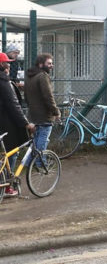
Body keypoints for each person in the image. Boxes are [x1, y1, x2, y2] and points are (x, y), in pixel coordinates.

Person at [0, 53, 35, 197]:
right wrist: (26, 123)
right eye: (6, 63)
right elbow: (13, 104)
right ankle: (7, 187)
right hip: (6, 122)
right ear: (2, 65)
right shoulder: (3, 80)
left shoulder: (6, 80)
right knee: (12, 152)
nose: (9, 65)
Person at [23, 53, 60, 152]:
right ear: (40, 64)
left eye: (52, 63)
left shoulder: (29, 76)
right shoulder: (43, 76)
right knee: (42, 141)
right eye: (49, 63)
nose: (51, 66)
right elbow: (48, 96)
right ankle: (40, 163)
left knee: (35, 141)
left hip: (32, 115)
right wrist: (56, 112)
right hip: (44, 116)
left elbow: (26, 96)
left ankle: (31, 163)